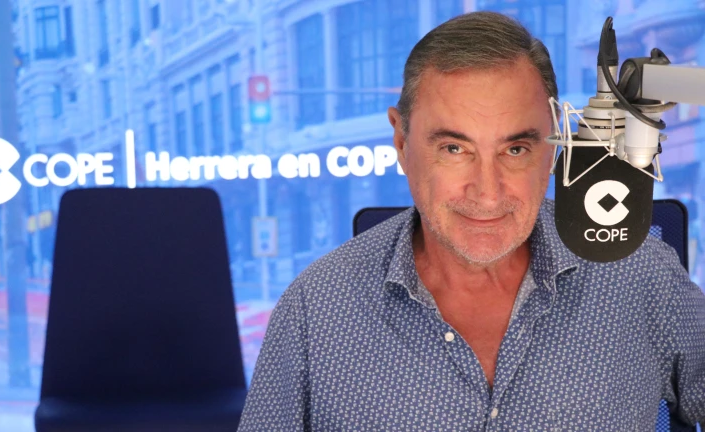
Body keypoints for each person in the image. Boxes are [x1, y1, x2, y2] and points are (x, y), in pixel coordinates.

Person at [237, 11, 705, 431]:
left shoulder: (643, 277)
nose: (487, 192)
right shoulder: (315, 309)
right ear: (401, 143)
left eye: (515, 149)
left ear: (552, 149)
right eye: (454, 148)